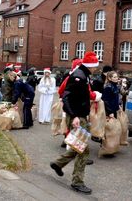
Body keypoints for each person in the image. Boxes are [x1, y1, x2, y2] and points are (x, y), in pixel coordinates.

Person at [50, 51, 100, 195]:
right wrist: (75, 116)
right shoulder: (79, 76)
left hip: (80, 116)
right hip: (78, 118)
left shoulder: (83, 75)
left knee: (78, 147)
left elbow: (79, 98)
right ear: (90, 65)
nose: (96, 68)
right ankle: (77, 182)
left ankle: (58, 163)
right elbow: (67, 97)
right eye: (95, 66)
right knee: (83, 150)